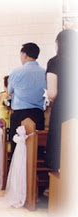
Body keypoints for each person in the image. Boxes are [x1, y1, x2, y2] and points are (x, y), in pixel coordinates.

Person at [45, 29, 78, 173]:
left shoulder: (55, 62)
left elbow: (52, 93)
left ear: (59, 43)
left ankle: (56, 187)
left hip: (62, 110)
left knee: (59, 146)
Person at [8, 43, 46, 155]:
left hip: (19, 114)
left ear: (24, 55)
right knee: (35, 147)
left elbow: (9, 91)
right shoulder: (44, 72)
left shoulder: (16, 72)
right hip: (37, 114)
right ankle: (34, 171)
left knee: (18, 147)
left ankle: (16, 171)